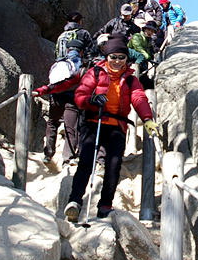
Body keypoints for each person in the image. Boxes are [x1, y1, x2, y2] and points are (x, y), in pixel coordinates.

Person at [64, 35, 157, 221]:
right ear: (106, 57)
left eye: (121, 57)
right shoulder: (95, 73)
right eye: (113, 57)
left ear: (126, 59)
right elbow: (80, 95)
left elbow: (139, 98)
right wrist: (91, 100)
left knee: (113, 165)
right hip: (94, 121)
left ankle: (105, 204)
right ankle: (75, 201)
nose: (116, 61)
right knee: (86, 162)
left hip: (117, 125)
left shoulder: (131, 80)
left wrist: (147, 118)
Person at [32, 38, 86, 168]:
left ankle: (48, 154)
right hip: (71, 99)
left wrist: (43, 90)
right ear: (81, 51)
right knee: (71, 127)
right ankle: (68, 158)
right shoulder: (81, 64)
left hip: (54, 97)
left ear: (67, 50)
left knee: (52, 122)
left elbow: (53, 82)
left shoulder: (59, 62)